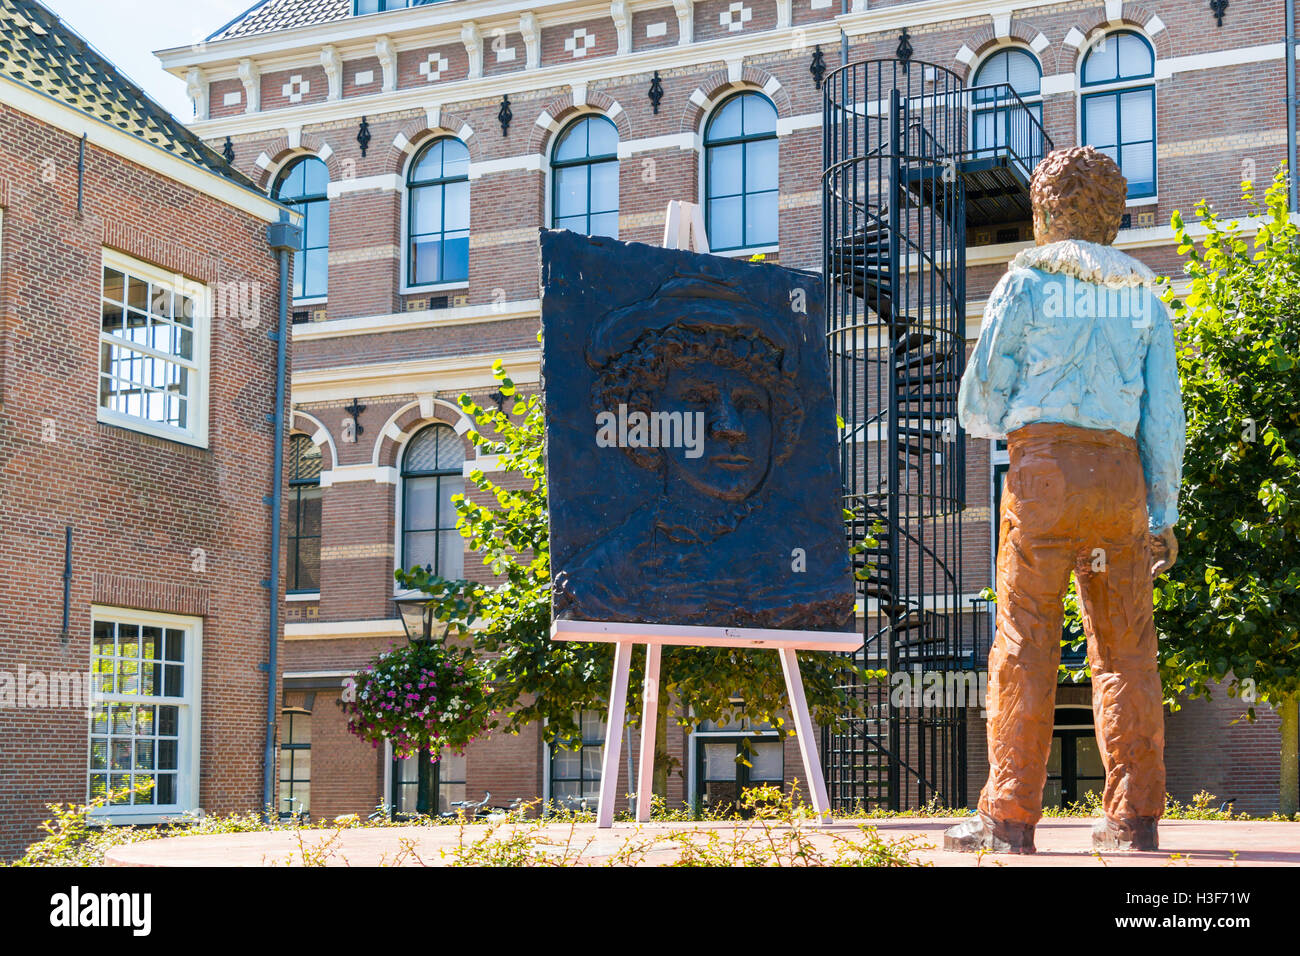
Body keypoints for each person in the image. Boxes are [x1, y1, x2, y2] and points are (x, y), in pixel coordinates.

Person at [947, 146, 1185, 853]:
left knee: (1024, 641)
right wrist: (1163, 514)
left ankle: (1009, 819)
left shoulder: (1027, 282)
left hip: (1043, 477)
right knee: (1126, 650)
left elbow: (979, 397)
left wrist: (1018, 422)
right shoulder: (1146, 296)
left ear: (1044, 213)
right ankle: (1133, 819)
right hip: (1119, 489)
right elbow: (1164, 420)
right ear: (1114, 219)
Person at [552, 268, 854, 631]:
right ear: (645, 417)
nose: (730, 427)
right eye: (697, 399)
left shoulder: (818, 556)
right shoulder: (601, 575)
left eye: (750, 404)